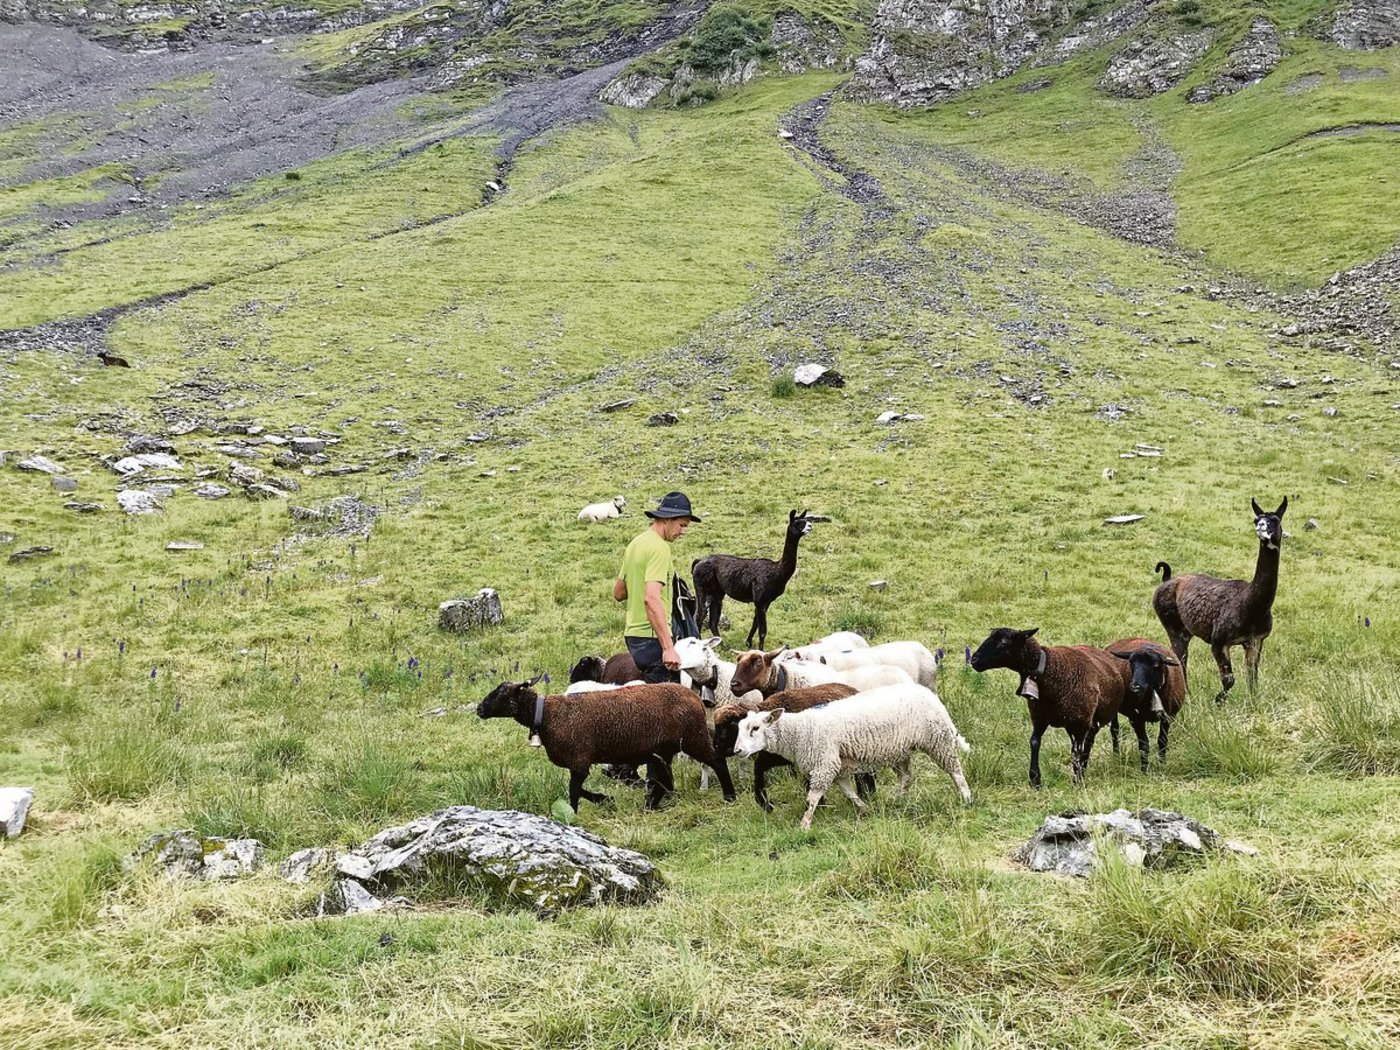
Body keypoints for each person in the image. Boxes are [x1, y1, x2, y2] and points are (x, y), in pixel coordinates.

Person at [613, 490, 701, 684]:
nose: (683, 532)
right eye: (682, 525)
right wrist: (668, 648)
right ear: (667, 519)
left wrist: (638, 585)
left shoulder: (635, 544)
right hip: (653, 637)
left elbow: (619, 593)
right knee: (667, 700)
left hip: (633, 636)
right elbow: (651, 598)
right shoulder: (660, 548)